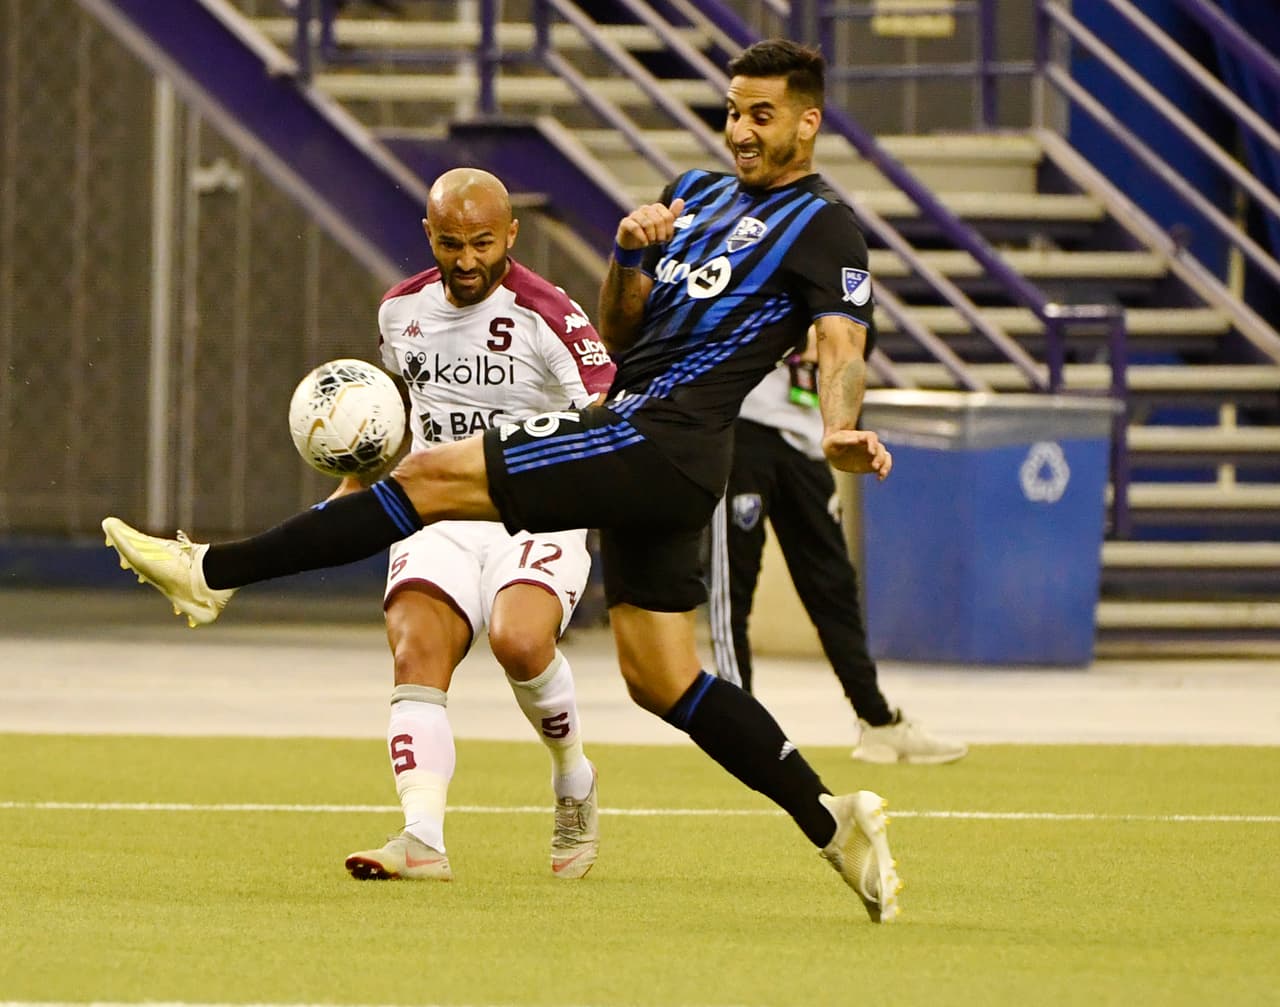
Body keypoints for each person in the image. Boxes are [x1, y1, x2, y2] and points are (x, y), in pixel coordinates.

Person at [102, 39, 903, 922]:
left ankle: (211, 574)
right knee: (661, 678)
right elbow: (622, 334)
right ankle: (833, 821)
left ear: (808, 120)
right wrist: (630, 255)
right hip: (647, 437)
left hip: (662, 440)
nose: (741, 132)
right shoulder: (695, 192)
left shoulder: (825, 225)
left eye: (762, 115)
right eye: (732, 110)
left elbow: (840, 343)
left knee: (431, 473)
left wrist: (836, 427)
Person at [334, 168, 613, 882]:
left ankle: (573, 778)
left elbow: (614, 411)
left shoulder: (552, 315)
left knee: (520, 641)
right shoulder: (400, 312)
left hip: (536, 510)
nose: (466, 260)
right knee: (415, 650)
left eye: (482, 243)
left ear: (511, 235)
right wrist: (355, 478)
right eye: (451, 242)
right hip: (440, 513)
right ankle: (421, 836)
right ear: (428, 235)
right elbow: (394, 403)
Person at [709, 333, 968, 764]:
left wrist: (835, 341)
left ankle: (877, 721)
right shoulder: (752, 264)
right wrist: (796, 339)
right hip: (746, 425)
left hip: (810, 435)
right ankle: (742, 728)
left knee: (834, 588)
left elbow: (862, 335)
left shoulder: (839, 272)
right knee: (733, 585)